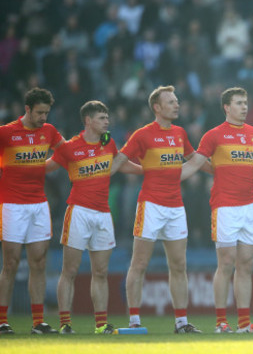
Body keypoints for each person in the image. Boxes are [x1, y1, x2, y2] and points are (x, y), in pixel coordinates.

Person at [180, 87, 253, 334]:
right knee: (226, 263)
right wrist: (169, 178)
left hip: (250, 207)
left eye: (246, 103)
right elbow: (197, 162)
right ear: (226, 107)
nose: (244, 107)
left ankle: (244, 323)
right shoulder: (213, 135)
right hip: (224, 207)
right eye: (239, 103)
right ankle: (221, 322)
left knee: (246, 264)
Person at [111, 85, 201, 333]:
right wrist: (104, 171)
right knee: (139, 264)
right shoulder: (142, 135)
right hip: (150, 205)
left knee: (179, 265)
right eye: (171, 101)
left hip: (175, 207)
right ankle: (134, 322)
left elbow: (195, 160)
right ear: (157, 107)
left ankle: (182, 322)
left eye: (177, 101)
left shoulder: (180, 133)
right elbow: (120, 159)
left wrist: (224, 168)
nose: (177, 104)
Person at [47, 101, 141, 334]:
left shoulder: (108, 144)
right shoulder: (70, 147)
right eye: (101, 117)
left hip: (103, 214)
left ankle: (100, 324)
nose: (107, 120)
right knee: (69, 270)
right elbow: (47, 167)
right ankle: (65, 323)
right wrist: (17, 167)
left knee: (100, 271)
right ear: (88, 121)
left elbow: (121, 163)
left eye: (107, 116)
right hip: (78, 212)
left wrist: (147, 169)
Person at [0, 88, 64, 334]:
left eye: (46, 112)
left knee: (39, 262)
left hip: (38, 205)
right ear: (27, 109)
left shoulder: (49, 131)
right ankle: (2, 321)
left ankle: (38, 322)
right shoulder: (6, 133)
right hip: (12, 205)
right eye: (39, 112)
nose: (43, 117)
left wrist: (41, 166)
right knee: (11, 264)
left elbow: (65, 152)